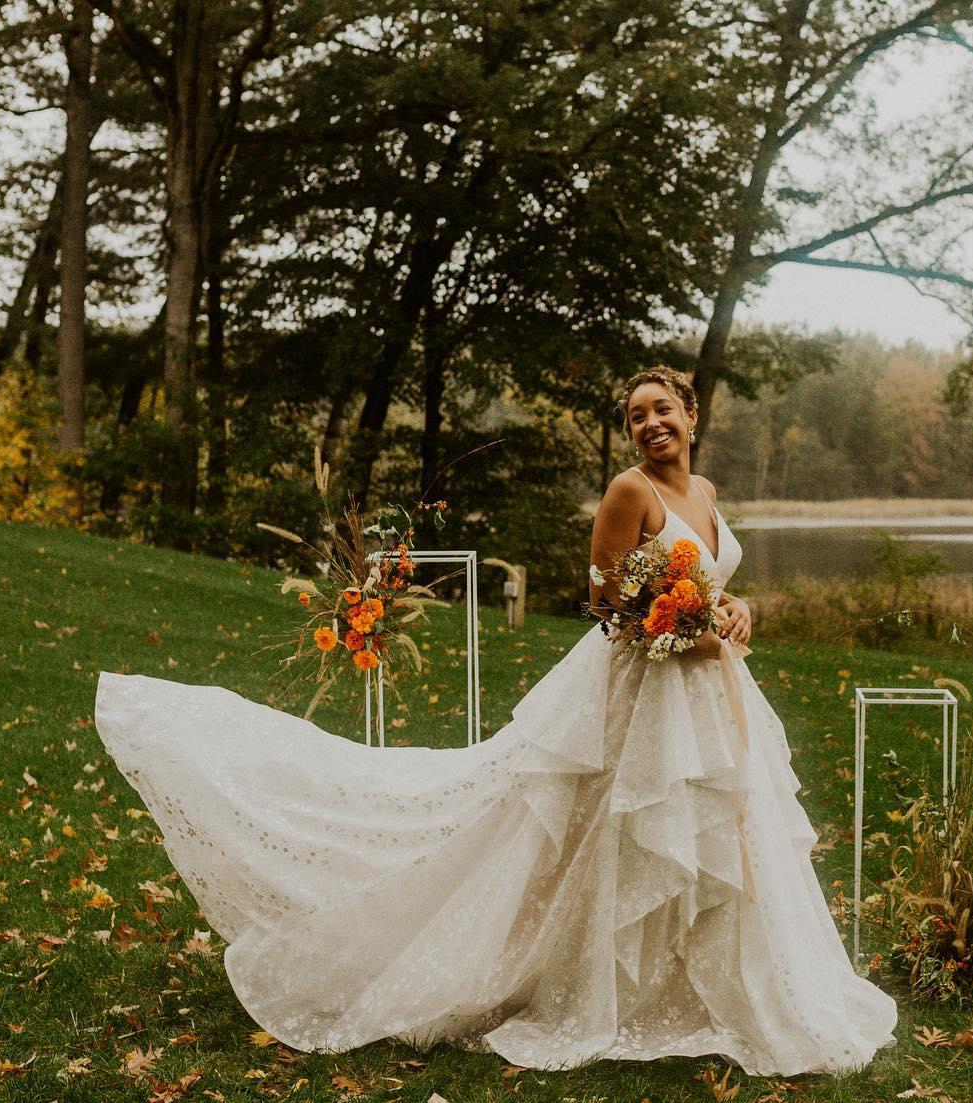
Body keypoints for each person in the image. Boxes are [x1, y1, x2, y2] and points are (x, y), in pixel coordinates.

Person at [94, 367, 897, 1077]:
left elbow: (709, 579)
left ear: (692, 415)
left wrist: (732, 606)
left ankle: (699, 986)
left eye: (662, 410)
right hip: (641, 691)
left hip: (710, 693)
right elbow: (603, 598)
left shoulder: (708, 492)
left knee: (717, 833)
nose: (651, 424)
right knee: (592, 833)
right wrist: (676, 623)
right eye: (636, 417)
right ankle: (567, 976)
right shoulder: (629, 492)